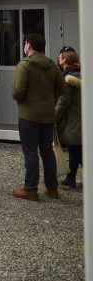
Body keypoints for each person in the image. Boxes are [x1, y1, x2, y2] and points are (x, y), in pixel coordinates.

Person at [12, 33, 66, 201]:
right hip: (48, 115)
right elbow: (61, 90)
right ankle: (52, 188)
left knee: (30, 152)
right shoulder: (52, 65)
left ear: (28, 45)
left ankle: (30, 189)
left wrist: (21, 99)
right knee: (47, 151)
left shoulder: (24, 65)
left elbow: (18, 92)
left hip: (28, 115)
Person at [56, 47, 82, 188]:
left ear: (65, 60)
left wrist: (54, 118)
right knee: (75, 149)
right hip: (81, 118)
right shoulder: (83, 74)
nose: (58, 60)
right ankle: (70, 178)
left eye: (60, 58)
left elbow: (63, 101)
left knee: (78, 150)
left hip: (73, 119)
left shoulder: (68, 78)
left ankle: (71, 178)